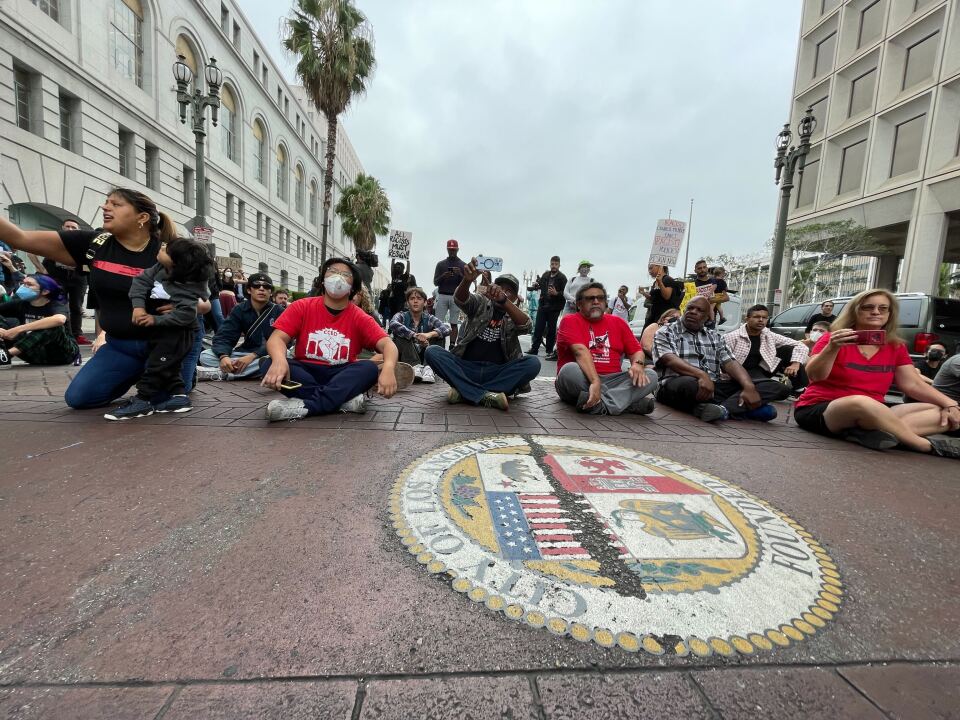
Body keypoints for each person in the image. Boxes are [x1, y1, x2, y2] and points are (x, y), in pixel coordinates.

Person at [0, 188, 214, 409]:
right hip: (122, 345)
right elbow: (20, 237)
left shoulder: (171, 250)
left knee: (168, 397)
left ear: (142, 217)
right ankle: (138, 370)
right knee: (80, 398)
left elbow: (207, 304)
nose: (105, 207)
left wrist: (189, 305)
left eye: (116, 204)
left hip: (167, 344)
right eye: (106, 202)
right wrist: (102, 335)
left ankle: (177, 374)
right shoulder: (94, 244)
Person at [792, 289, 960, 457]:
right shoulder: (833, 338)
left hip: (874, 411)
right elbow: (815, 375)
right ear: (855, 311)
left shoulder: (895, 346)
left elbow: (913, 384)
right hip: (823, 408)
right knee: (861, 402)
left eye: (883, 308)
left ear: (890, 313)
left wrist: (951, 404)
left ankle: (870, 433)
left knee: (944, 412)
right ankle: (925, 445)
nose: (875, 312)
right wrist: (832, 348)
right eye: (868, 307)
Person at [260, 258, 401, 421]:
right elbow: (276, 338)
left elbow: (388, 344)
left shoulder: (360, 316)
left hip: (341, 373)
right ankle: (342, 401)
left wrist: (389, 368)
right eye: (333, 271)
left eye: (345, 274)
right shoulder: (302, 306)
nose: (338, 277)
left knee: (368, 369)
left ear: (352, 287)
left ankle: (306, 407)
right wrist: (279, 360)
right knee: (267, 363)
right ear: (322, 280)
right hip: (306, 371)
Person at [103, 238, 213, 420]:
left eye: (166, 249)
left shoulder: (189, 286)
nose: (161, 247)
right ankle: (179, 398)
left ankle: (143, 401)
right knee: (170, 366)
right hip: (163, 330)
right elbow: (140, 281)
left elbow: (186, 315)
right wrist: (138, 306)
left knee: (157, 366)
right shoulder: (160, 268)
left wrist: (155, 319)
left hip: (178, 334)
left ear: (177, 262)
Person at [424, 263, 540, 410]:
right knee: (432, 351)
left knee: (533, 363)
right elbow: (460, 299)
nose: (502, 292)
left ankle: (465, 391)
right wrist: (466, 280)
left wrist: (504, 301)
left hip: (497, 373)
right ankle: (487, 395)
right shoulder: (481, 302)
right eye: (499, 288)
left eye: (508, 291)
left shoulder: (513, 314)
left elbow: (527, 326)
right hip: (466, 368)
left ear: (515, 298)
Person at [653, 296, 768, 422]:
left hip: (713, 385)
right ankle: (736, 406)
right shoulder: (666, 331)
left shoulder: (715, 336)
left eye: (699, 310)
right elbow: (669, 359)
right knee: (690, 385)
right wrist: (702, 375)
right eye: (690, 308)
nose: (693, 311)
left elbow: (730, 362)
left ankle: (720, 409)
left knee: (773, 386)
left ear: (707, 317)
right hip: (677, 384)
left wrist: (748, 386)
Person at [555, 282, 658, 415]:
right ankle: (626, 403)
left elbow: (636, 351)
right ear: (578, 304)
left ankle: (600, 405)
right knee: (568, 370)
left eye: (601, 298)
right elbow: (580, 351)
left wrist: (638, 364)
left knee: (651, 375)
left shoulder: (618, 322)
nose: (596, 301)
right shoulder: (569, 321)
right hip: (583, 379)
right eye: (590, 298)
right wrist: (594, 381)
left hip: (613, 380)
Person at [197, 272, 285, 381]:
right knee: (206, 355)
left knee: (279, 359)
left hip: (268, 353)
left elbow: (284, 341)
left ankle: (221, 374)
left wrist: (253, 355)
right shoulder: (239, 309)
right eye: (257, 286)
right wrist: (224, 356)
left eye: (266, 286)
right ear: (249, 290)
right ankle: (246, 371)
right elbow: (225, 335)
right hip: (243, 353)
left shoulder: (279, 311)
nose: (261, 289)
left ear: (270, 292)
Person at [28, 218, 91, 345]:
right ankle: (62, 333)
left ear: (78, 230)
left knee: (76, 307)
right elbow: (30, 251)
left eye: (74, 227)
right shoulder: (55, 240)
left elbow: (92, 263)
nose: (70, 229)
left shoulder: (84, 244)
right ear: (62, 228)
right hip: (56, 276)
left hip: (78, 278)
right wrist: (41, 269)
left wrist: (78, 266)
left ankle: (77, 334)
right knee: (59, 304)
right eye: (68, 226)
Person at [724, 304, 809, 396]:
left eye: (764, 317)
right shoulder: (732, 337)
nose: (761, 320)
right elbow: (722, 362)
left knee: (788, 349)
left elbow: (801, 345)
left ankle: (800, 390)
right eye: (756, 317)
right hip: (739, 374)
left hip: (762, 371)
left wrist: (795, 364)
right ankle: (747, 389)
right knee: (783, 390)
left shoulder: (768, 335)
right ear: (747, 319)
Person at [0, 274, 78, 366]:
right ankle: (3, 356)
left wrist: (18, 329)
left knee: (53, 325)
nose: (23, 287)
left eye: (29, 284)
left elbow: (59, 320)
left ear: (45, 291)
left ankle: (6, 355)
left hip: (61, 354)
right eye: (23, 284)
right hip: (33, 353)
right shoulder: (21, 304)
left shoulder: (57, 304)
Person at [389, 286, 450, 383]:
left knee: (439, 333)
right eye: (412, 299)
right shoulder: (401, 315)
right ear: (407, 303)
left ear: (425, 302)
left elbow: (446, 328)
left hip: (425, 355)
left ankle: (429, 369)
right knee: (399, 334)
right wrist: (415, 336)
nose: (415, 301)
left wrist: (428, 335)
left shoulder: (429, 318)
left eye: (419, 299)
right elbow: (393, 324)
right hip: (407, 356)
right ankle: (414, 367)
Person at [527, 256, 567, 359]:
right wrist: (536, 284)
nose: (554, 266)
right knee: (538, 328)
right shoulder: (545, 275)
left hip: (554, 307)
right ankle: (534, 349)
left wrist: (556, 293)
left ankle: (549, 351)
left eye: (556, 264)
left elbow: (566, 292)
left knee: (551, 329)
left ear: (559, 265)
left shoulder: (562, 278)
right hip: (543, 305)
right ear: (550, 264)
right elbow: (540, 285)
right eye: (552, 264)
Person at [433, 239, 466, 348]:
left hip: (455, 296)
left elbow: (467, 283)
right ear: (447, 249)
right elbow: (435, 282)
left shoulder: (462, 265)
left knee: (454, 323)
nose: (452, 251)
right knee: (438, 322)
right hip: (442, 295)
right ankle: (438, 342)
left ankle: (452, 345)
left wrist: (460, 274)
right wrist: (443, 276)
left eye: (454, 249)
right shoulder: (441, 264)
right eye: (450, 249)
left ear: (457, 249)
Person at [692, 259, 728, 327]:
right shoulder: (692, 284)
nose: (702, 270)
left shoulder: (715, 281)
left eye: (704, 267)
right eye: (699, 268)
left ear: (707, 268)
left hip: (709, 323)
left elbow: (726, 298)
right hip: (696, 320)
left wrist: (710, 300)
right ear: (695, 271)